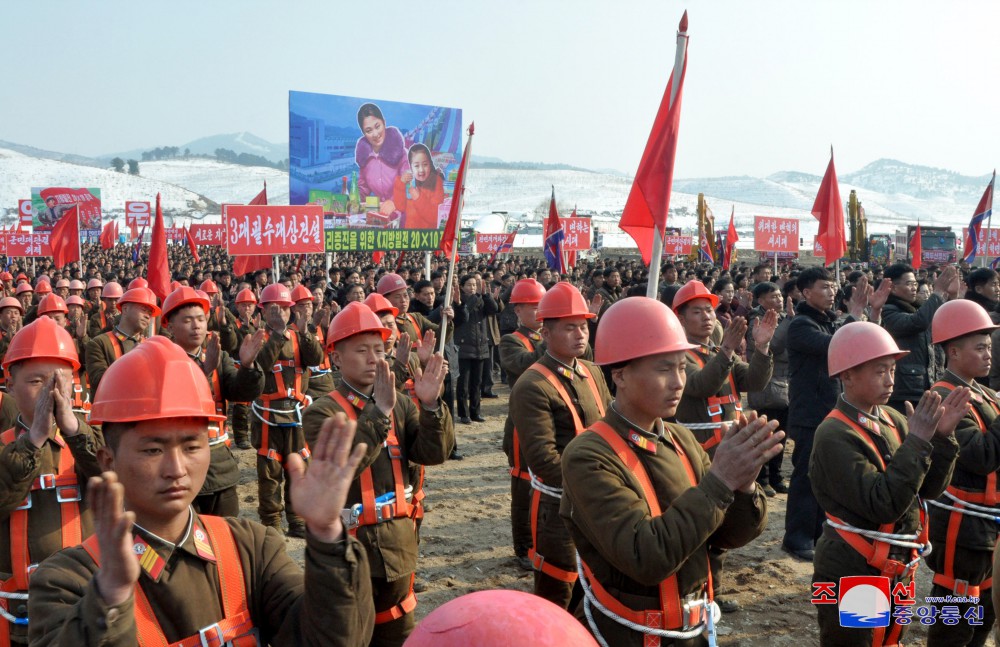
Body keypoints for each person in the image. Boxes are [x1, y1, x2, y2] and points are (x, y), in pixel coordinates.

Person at [27, 336, 376, 646]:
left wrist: (329, 540)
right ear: (108, 460)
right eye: (153, 450)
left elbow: (329, 637)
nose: (176, 469)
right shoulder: (67, 580)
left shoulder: (251, 548)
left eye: (192, 447)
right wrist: (109, 599)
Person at [562, 296, 781, 647]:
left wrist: (744, 485)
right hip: (629, 635)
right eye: (664, 369)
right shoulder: (588, 455)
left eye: (682, 367)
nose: (679, 382)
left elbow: (724, 538)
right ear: (619, 374)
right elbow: (645, 557)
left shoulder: (679, 438)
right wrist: (720, 481)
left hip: (690, 628)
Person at [302, 302, 452, 647]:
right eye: (361, 350)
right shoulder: (322, 411)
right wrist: (379, 413)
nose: (374, 358)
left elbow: (433, 453)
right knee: (350, 634)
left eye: (379, 349)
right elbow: (345, 466)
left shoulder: (399, 402)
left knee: (397, 632)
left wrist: (429, 407)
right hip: (347, 550)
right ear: (336, 358)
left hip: (398, 543)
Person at [810, 321, 967, 646]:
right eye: (879, 370)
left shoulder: (892, 419)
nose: (890, 379)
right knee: (862, 640)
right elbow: (884, 503)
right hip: (856, 566)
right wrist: (919, 442)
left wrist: (940, 439)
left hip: (896, 562)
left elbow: (926, 490)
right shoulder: (834, 434)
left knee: (891, 639)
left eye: (892, 369)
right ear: (847, 375)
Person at [0, 317, 104, 646]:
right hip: (15, 616)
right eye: (36, 381)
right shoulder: (4, 445)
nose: (51, 391)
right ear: (11, 387)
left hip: (82, 605)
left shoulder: (91, 437)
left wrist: (74, 431)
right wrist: (32, 442)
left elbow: (118, 483)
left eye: (60, 379)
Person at [508, 282, 612, 609]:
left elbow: (609, 428)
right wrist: (597, 484)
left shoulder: (592, 372)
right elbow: (543, 460)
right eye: (570, 328)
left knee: (594, 590)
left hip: (597, 500)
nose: (581, 334)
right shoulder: (533, 385)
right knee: (559, 590)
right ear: (547, 333)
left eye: (583, 326)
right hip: (559, 507)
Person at [782, 268, 887, 562]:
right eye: (824, 287)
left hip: (831, 412)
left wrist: (868, 314)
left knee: (825, 477)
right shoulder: (801, 325)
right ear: (805, 293)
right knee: (805, 477)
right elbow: (837, 347)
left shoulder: (828, 321)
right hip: (810, 412)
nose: (831, 291)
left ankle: (817, 532)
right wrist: (854, 315)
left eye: (832, 286)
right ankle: (797, 537)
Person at [925, 300, 1000, 646]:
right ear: (953, 352)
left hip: (984, 523)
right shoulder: (945, 399)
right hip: (961, 524)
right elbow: (981, 456)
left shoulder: (980, 392)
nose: (989, 354)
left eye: (989, 346)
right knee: (955, 610)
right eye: (980, 347)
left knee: (985, 608)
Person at [160, 286, 265, 517]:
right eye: (187, 320)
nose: (197, 325)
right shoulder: (161, 361)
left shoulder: (218, 356)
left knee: (225, 533)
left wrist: (247, 367)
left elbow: (240, 392)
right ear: (169, 325)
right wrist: (203, 375)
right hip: (179, 464)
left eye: (200, 319)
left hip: (218, 463)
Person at [250, 284, 324, 538]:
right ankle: (271, 522)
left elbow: (316, 358)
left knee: (299, 467)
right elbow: (261, 365)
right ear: (263, 311)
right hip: (267, 414)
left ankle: (297, 519)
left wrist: (305, 333)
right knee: (269, 470)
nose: (280, 313)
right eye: (274, 309)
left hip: (296, 413)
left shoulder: (299, 336)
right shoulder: (257, 337)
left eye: (284, 308)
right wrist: (279, 335)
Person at [671, 280, 775, 455]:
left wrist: (762, 347)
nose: (706, 317)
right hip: (699, 448)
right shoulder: (677, 355)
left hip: (732, 443)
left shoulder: (720, 351)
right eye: (697, 312)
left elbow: (754, 382)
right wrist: (726, 349)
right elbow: (702, 385)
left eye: (709, 310)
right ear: (681, 319)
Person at [498, 278, 547, 571]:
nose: (539, 312)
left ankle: (540, 542)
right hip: (521, 425)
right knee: (523, 486)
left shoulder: (549, 337)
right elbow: (522, 363)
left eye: (542, 307)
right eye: (533, 308)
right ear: (518, 310)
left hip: (548, 421)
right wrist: (552, 340)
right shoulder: (511, 340)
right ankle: (523, 546)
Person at [880, 263, 957, 413]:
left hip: (929, 385)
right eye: (909, 284)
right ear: (893, 288)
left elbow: (947, 322)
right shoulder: (888, 311)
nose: (914, 287)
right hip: (906, 391)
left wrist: (952, 296)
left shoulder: (920, 308)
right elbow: (918, 322)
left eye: (915, 283)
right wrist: (938, 292)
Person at [747, 282, 793, 496]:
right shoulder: (756, 320)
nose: (779, 300)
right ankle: (763, 479)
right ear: (760, 300)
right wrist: (789, 321)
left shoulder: (784, 317)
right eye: (773, 297)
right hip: (766, 383)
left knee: (781, 434)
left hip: (785, 383)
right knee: (765, 434)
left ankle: (776, 476)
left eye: (779, 296)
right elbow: (773, 346)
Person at [84, 287, 159, 394]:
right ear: (125, 309)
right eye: (143, 310)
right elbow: (100, 383)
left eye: (150, 313)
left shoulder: (150, 347)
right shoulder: (100, 343)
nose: (147, 316)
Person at [454, 275, 498, 424]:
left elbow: (494, 309)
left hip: (480, 347)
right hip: (464, 347)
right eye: (469, 285)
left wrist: (486, 295)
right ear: (461, 286)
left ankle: (475, 412)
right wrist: (477, 296)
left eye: (474, 285)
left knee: (477, 383)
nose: (472, 288)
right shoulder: (459, 301)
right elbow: (464, 314)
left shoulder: (481, 300)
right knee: (464, 384)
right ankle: (464, 413)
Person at [355, 103, 408, 216]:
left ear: (384, 122)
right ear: (364, 133)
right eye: (369, 131)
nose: (375, 134)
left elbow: (410, 185)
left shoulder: (401, 153)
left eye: (377, 126)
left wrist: (394, 202)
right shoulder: (364, 158)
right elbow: (363, 189)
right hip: (381, 217)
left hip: (404, 215)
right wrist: (353, 200)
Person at [393, 144, 445, 229]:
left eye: (425, 164)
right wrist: (401, 184)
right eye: (416, 166)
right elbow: (400, 207)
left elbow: (435, 217)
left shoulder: (436, 181)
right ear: (411, 166)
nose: (421, 170)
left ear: (430, 164)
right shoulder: (409, 181)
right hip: (411, 235)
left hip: (428, 236)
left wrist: (418, 198)